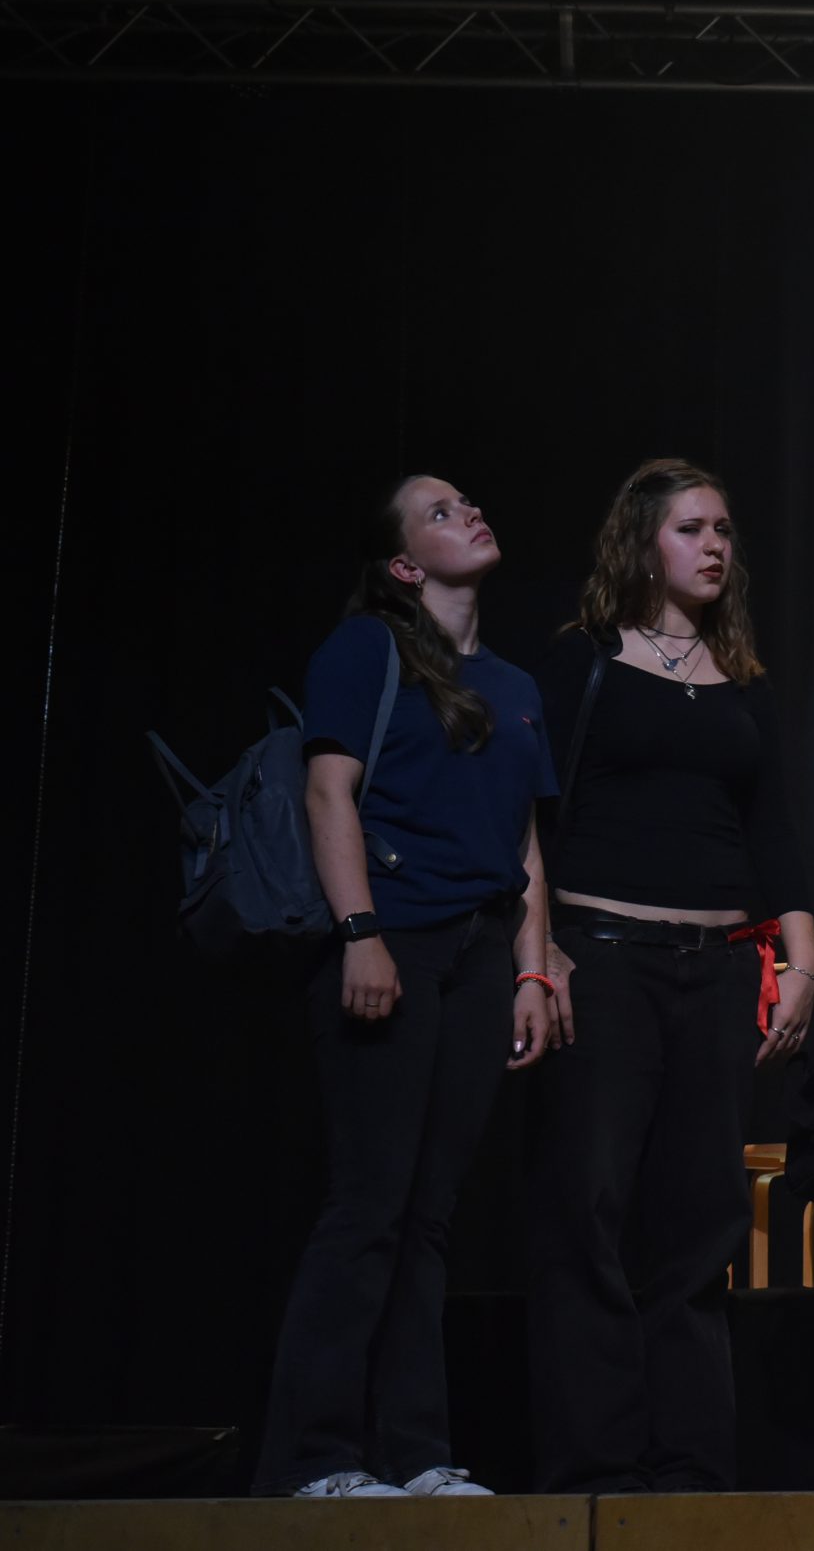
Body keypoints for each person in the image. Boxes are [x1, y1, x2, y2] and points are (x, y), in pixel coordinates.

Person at [255, 476, 557, 1500]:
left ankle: (416, 1453)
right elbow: (326, 791)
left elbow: (525, 843)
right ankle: (318, 1458)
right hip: (394, 939)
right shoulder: (366, 649)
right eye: (438, 513)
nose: (468, 512)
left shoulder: (514, 684)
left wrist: (532, 966)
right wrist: (361, 933)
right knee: (369, 1206)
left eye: (467, 501)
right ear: (402, 565)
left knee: (430, 1215)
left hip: (480, 957)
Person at [526, 458, 814, 1494]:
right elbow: (532, 821)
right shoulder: (583, 659)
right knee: (591, 1210)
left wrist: (801, 959)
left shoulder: (742, 676)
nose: (715, 546)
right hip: (604, 959)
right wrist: (537, 953)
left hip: (717, 971)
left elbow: (773, 828)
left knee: (700, 1222)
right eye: (692, 528)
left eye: (725, 530)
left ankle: (691, 1472)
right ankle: (595, 1470)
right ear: (642, 542)